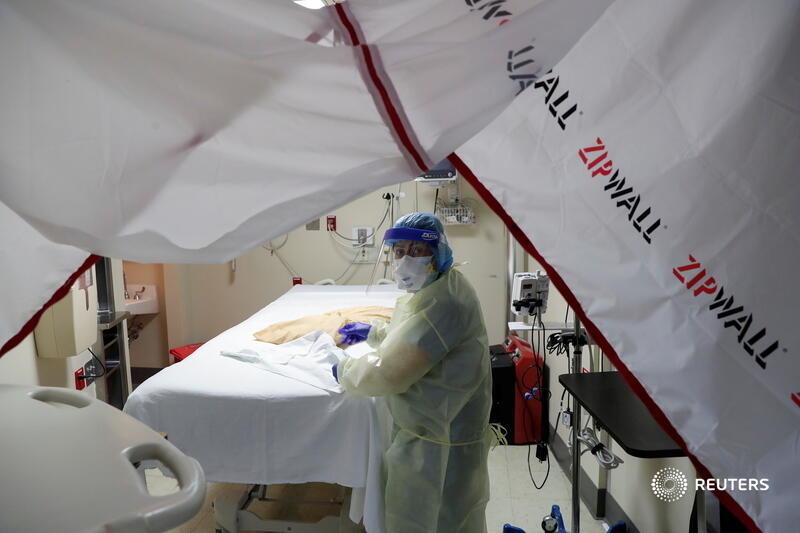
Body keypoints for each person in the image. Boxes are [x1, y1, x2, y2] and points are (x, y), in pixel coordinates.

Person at [333, 212, 493, 533]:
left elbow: (389, 373)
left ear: (438, 252)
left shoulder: (445, 304)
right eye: (398, 251)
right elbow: (411, 332)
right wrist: (374, 332)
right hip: (439, 432)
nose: (405, 260)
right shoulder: (441, 287)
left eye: (415, 250)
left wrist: (344, 370)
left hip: (439, 445)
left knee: (429, 519)